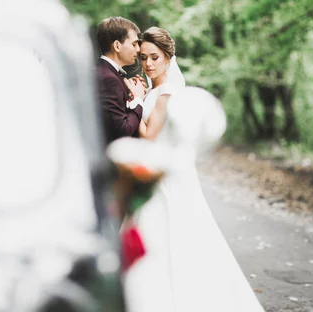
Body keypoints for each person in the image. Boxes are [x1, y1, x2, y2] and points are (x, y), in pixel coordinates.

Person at [123, 27, 265, 312]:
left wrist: (134, 103)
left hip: (165, 176)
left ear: (168, 58)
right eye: (144, 58)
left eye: (155, 58)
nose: (148, 64)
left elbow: (149, 135)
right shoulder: (154, 90)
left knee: (170, 233)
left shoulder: (165, 93)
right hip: (155, 170)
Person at [95, 17, 147, 145]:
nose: (138, 50)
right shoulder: (108, 79)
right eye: (134, 44)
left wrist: (130, 94)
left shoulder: (107, 74)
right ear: (117, 46)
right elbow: (122, 131)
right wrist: (138, 98)